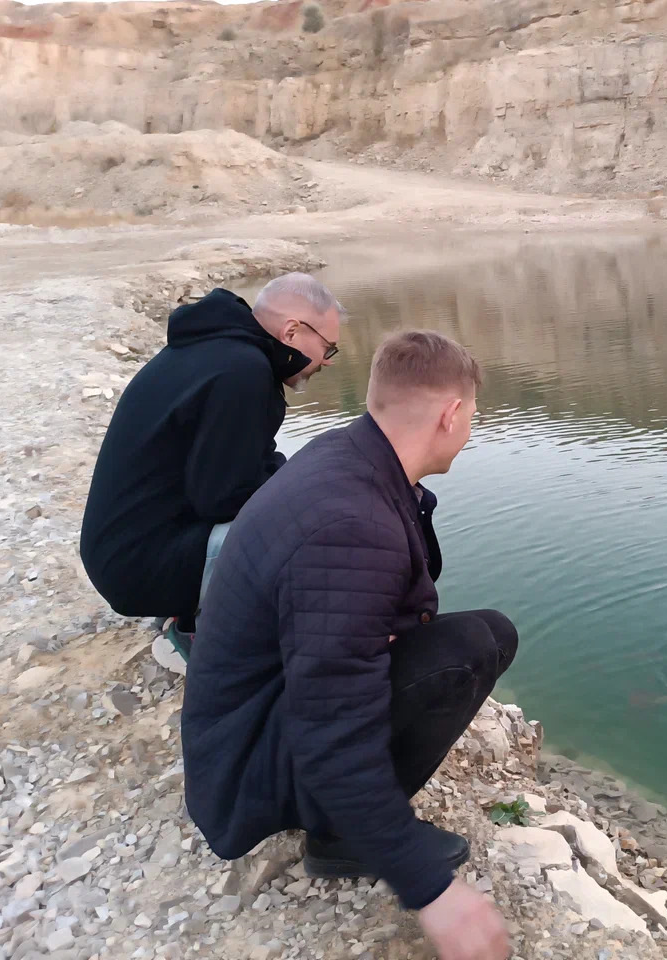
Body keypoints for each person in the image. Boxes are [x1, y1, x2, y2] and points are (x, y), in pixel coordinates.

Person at [181, 330, 515, 960]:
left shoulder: (350, 456)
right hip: (246, 764)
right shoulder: (353, 525)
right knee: (473, 644)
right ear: (451, 415)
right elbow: (331, 730)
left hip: (254, 720)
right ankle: (341, 837)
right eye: (472, 414)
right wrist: (429, 887)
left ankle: (346, 821)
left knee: (483, 635)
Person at [79, 273, 342, 667]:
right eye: (328, 348)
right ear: (291, 331)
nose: (324, 362)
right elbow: (225, 498)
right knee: (311, 529)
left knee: (291, 500)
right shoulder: (243, 371)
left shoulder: (218, 352)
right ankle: (202, 636)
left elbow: (242, 464)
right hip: (138, 568)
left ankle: (194, 609)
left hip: (124, 553)